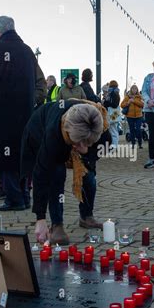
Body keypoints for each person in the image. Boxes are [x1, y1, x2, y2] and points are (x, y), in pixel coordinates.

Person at [0, 15, 47, 210]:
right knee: (21, 154)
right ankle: (25, 196)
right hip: (26, 113)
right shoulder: (28, 52)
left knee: (5, 156)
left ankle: (14, 199)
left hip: (4, 114)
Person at [21, 101, 108, 244]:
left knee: (89, 174)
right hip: (40, 130)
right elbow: (41, 175)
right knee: (57, 174)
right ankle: (57, 225)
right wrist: (40, 218)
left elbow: (102, 148)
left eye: (87, 142)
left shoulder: (99, 124)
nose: (81, 146)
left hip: (75, 134)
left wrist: (87, 152)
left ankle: (86, 216)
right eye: (78, 143)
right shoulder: (52, 136)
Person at [104, 80, 121, 148]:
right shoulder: (115, 92)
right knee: (113, 129)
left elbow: (114, 104)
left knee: (113, 130)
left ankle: (114, 145)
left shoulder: (113, 93)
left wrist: (107, 103)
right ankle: (114, 145)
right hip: (115, 113)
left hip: (113, 113)